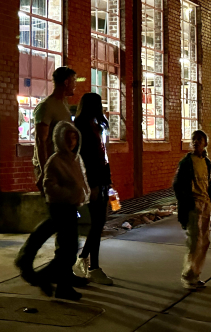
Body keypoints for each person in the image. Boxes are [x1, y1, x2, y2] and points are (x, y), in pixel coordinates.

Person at [15, 67, 80, 289]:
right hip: (51, 170)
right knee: (58, 218)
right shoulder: (47, 106)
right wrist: (43, 172)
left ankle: (63, 271)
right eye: (73, 81)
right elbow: (41, 141)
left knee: (64, 221)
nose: (75, 85)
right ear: (64, 82)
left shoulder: (62, 105)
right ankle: (26, 258)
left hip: (63, 167)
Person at [42, 121, 91, 300]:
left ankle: (65, 276)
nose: (71, 141)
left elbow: (81, 178)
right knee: (66, 248)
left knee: (71, 245)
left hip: (72, 206)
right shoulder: (55, 161)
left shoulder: (75, 158)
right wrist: (68, 194)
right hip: (60, 207)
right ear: (60, 139)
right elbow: (49, 185)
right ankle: (62, 286)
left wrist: (84, 194)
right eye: (68, 138)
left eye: (74, 138)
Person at [72, 93, 114, 285]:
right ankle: (92, 266)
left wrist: (108, 180)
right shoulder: (81, 127)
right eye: (100, 105)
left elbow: (103, 156)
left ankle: (85, 260)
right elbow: (86, 160)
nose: (103, 109)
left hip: (102, 179)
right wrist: (93, 185)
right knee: (97, 223)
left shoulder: (96, 126)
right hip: (94, 182)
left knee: (100, 222)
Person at [173, 130, 211, 290]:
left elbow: (208, 183)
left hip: (205, 204)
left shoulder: (206, 162)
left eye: (199, 139)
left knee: (204, 241)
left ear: (205, 143)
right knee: (195, 241)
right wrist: (187, 201)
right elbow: (177, 184)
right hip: (194, 205)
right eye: (194, 139)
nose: (196, 142)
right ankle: (187, 276)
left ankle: (195, 274)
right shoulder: (186, 162)